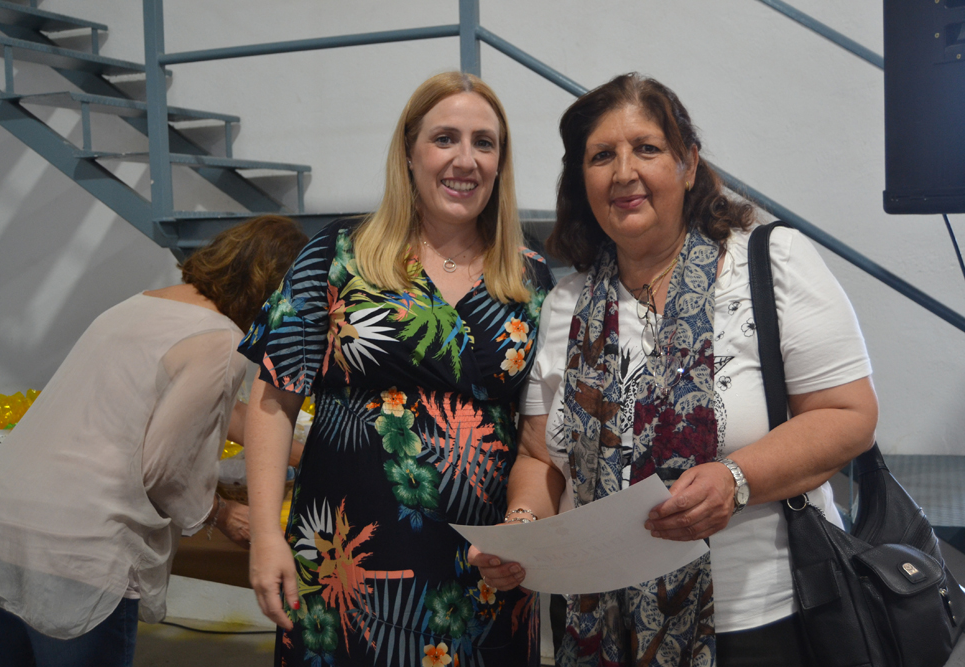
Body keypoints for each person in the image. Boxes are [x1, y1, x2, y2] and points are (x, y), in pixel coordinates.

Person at [469, 73, 878, 666]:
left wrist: (735, 479)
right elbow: (539, 454)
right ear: (581, 181)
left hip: (762, 621)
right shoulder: (565, 304)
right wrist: (523, 522)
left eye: (647, 148)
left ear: (689, 165)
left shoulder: (770, 262)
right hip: (600, 627)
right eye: (601, 156)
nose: (624, 172)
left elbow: (849, 415)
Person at [241, 71, 555, 667]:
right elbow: (274, 398)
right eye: (445, 139)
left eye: (484, 143)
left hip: (484, 575)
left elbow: (537, 442)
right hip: (346, 568)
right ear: (409, 153)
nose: (465, 160)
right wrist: (264, 533)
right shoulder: (339, 253)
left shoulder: (530, 277)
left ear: (501, 163)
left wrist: (524, 526)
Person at [0, 214, 308, 667]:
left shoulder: (138, 305)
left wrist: (315, 451)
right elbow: (165, 471)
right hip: (78, 542)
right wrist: (222, 514)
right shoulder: (221, 341)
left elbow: (226, 412)